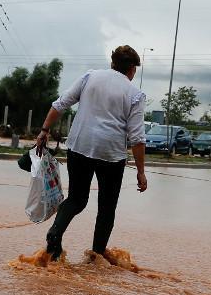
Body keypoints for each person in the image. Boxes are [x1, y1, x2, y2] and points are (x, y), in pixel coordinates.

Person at [35, 45, 148, 261]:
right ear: (132, 69)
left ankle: (55, 233)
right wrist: (141, 172)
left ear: (113, 63)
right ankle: (96, 256)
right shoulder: (135, 94)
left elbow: (61, 103)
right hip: (112, 155)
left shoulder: (90, 77)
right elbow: (137, 138)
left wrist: (44, 130)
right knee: (107, 208)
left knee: (77, 199)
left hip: (80, 146)